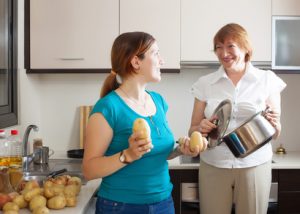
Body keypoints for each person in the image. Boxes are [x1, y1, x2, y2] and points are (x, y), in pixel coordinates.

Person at [83, 31, 204, 214]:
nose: (162, 60)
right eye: (156, 53)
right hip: (120, 207)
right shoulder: (108, 108)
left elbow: (156, 152)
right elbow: (89, 170)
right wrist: (127, 155)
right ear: (136, 62)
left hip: (163, 203)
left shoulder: (158, 101)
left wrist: (180, 149)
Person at [189, 23, 286, 214]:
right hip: (213, 163)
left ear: (245, 47)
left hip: (255, 164)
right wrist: (201, 127)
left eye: (230, 46)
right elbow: (192, 129)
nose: (224, 53)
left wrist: (275, 125)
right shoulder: (205, 83)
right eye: (218, 47)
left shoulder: (267, 80)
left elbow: (275, 133)